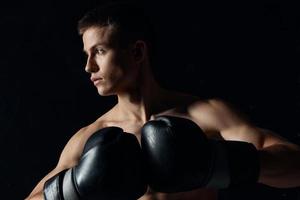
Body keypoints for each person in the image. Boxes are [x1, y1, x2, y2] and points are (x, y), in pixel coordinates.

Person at [25, 2, 300, 200]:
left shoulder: (206, 115)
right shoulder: (91, 137)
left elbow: (295, 166)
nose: (88, 67)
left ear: (137, 51)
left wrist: (215, 162)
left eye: (99, 51)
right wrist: (74, 189)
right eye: (87, 54)